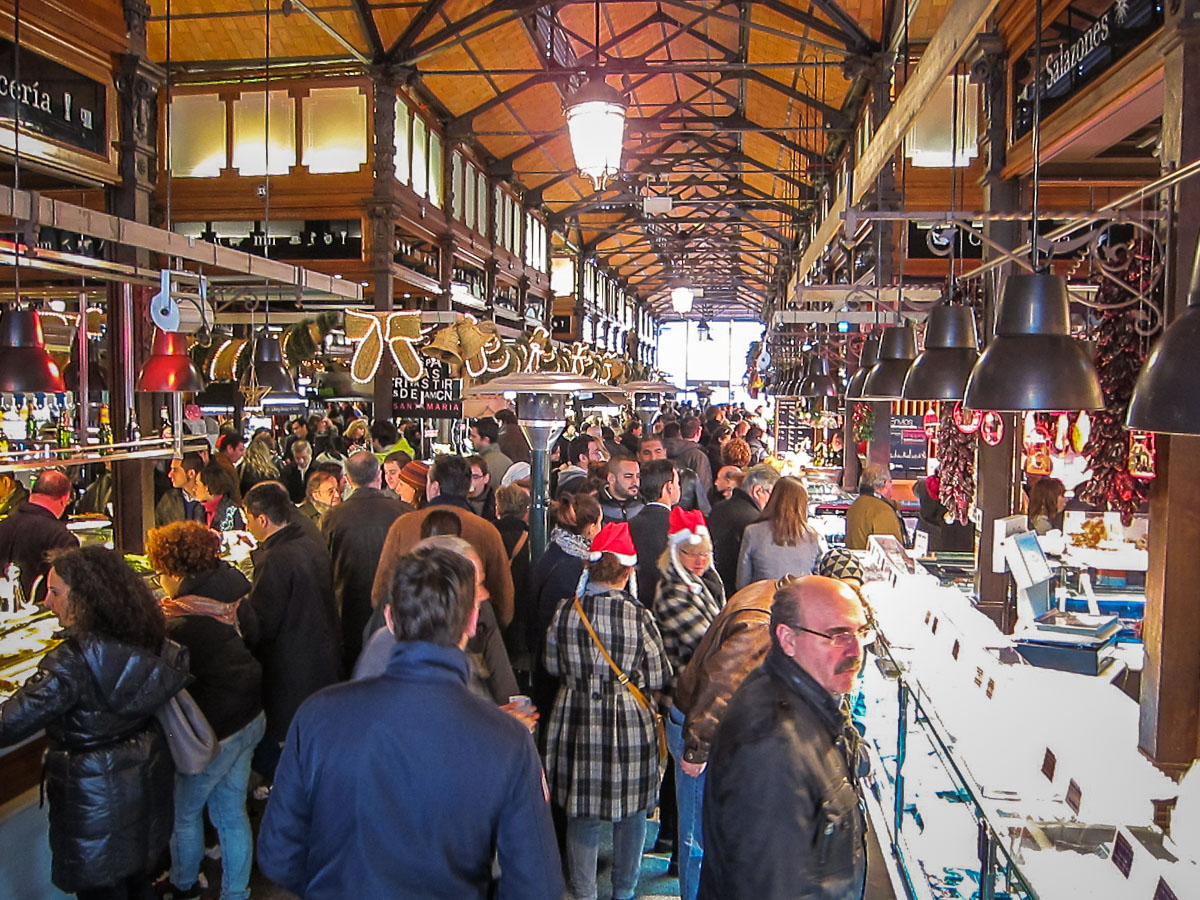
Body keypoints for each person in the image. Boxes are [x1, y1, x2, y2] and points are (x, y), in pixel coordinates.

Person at [257, 544, 564, 900]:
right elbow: (538, 885)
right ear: (471, 620)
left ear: (389, 619)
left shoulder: (318, 715)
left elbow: (278, 855)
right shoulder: (508, 740)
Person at [0, 546, 188, 899]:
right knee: (137, 883)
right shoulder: (144, 637)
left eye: (55, 592)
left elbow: (8, 723)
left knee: (103, 890)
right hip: (144, 784)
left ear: (85, 599)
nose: (47, 602)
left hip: (94, 800)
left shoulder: (71, 663)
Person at [699, 576, 870, 900]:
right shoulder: (773, 746)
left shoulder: (807, 706)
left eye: (860, 632)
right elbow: (771, 886)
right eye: (837, 636)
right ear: (788, 639)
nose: (855, 650)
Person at [544, 523, 670, 900]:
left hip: (576, 717)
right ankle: (624, 892)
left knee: (581, 813)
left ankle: (584, 893)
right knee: (631, 814)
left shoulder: (567, 611)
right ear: (628, 570)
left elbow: (552, 664)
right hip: (629, 721)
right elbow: (658, 673)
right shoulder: (638, 615)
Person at [144, 522, 263, 900]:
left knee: (185, 812)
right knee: (230, 811)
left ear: (174, 571)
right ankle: (236, 892)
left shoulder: (179, 620)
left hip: (217, 730)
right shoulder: (234, 586)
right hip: (251, 713)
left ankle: (183, 885)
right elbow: (257, 636)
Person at [242, 482, 340, 781]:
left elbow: (262, 624)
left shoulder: (275, 559)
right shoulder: (309, 541)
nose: (247, 525)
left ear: (262, 519)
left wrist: (240, 611)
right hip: (322, 659)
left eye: (248, 518)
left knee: (288, 758)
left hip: (291, 670)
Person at [654, 508, 726, 900]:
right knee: (695, 827)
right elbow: (712, 644)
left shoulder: (704, 583)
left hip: (703, 708)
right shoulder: (672, 593)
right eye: (691, 553)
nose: (700, 560)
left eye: (706, 552)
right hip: (688, 713)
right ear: (675, 553)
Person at [374, 454, 515, 627]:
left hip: (413, 628)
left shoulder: (403, 526)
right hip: (469, 633)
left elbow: (381, 590)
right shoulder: (486, 531)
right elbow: (503, 598)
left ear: (434, 487)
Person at [322, 451, 410, 672]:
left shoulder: (333, 517)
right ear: (378, 476)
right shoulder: (403, 512)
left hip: (348, 609)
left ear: (348, 480)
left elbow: (325, 562)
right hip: (395, 608)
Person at [527, 492, 603, 735]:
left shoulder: (553, 551)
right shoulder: (576, 569)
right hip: (561, 671)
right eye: (599, 523)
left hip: (543, 661)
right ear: (590, 528)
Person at [0, 469, 78, 602]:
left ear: (31, 492)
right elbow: (69, 593)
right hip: (43, 617)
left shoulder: (3, 526)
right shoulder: (61, 538)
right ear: (64, 499)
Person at [736, 476, 826, 590]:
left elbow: (742, 583)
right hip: (798, 604)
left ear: (774, 498)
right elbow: (818, 584)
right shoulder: (815, 538)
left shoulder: (752, 532)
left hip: (760, 602)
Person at [709, 463, 779, 592]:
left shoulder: (718, 508)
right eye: (773, 494)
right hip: (741, 595)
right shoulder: (756, 523)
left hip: (715, 589)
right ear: (758, 491)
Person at [494, 482, 532, 675]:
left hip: (493, 615)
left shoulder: (487, 534)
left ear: (498, 508)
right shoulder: (534, 540)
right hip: (521, 619)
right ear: (525, 510)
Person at [629, 457, 679, 604]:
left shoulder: (629, 525)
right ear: (669, 487)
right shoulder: (680, 528)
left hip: (638, 605)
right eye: (677, 483)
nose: (679, 488)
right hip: (670, 606)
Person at [845, 463, 908, 550]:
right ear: (885, 484)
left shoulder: (856, 505)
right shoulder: (883, 511)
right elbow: (891, 552)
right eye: (890, 482)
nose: (891, 486)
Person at [155, 452, 207, 526]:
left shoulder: (210, 497)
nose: (170, 475)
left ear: (191, 473)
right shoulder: (168, 499)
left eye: (175, 470)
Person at [194, 462, 246, 532]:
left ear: (207, 487)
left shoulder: (233, 512)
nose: (194, 488)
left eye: (197, 484)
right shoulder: (199, 509)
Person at [599, 454, 644, 524]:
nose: (635, 482)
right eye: (628, 476)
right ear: (611, 478)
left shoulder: (645, 503)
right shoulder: (594, 505)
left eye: (638, 476)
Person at [470, 416, 515, 483]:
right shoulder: (507, 461)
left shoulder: (483, 465)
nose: (470, 438)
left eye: (474, 436)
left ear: (486, 440)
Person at [279, 439, 313, 504]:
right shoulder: (287, 470)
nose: (301, 461)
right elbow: (283, 491)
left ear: (310, 453)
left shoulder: (319, 469)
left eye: (304, 457)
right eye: (297, 458)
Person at [466, 454, 498, 522]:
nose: (470, 481)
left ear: (486, 478)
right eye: (466, 476)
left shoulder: (495, 504)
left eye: (475, 477)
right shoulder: (455, 502)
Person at [215, 432, 246, 502]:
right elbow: (235, 496)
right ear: (230, 448)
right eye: (241, 450)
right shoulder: (228, 469)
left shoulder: (214, 461)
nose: (243, 454)